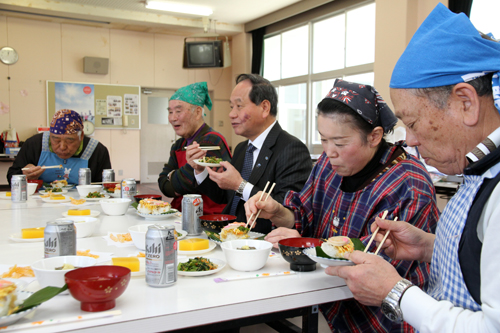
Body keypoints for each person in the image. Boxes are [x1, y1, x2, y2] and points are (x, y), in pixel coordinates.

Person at [325, 4, 500, 332]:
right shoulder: (480, 168)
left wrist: (396, 293)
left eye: (413, 122)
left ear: (466, 102)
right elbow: (486, 261)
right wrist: (431, 247)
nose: (411, 141)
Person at [245, 79, 439, 332]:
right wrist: (279, 212)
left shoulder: (408, 184)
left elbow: (382, 272)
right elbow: (304, 214)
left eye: (339, 143)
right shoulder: (327, 164)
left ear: (375, 136)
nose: (329, 152)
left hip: (382, 316)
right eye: (323, 140)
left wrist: (310, 248)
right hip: (325, 298)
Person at [190, 74, 312, 234]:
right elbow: (225, 197)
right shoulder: (242, 148)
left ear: (264, 108)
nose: (231, 114)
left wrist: (239, 185)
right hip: (230, 236)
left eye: (239, 106)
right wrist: (200, 170)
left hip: (262, 242)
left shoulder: (291, 148)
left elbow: (287, 210)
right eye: (231, 107)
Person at [158, 82, 231, 214]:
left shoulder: (211, 140)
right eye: (170, 112)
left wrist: (172, 176)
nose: (173, 118)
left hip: (207, 218)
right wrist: (174, 179)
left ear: (197, 113)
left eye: (178, 111)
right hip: (182, 215)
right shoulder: (178, 145)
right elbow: (164, 186)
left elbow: (187, 183)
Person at [7, 109, 111, 184]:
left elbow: (105, 187)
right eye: (55, 139)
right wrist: (23, 175)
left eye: (70, 140)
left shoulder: (97, 151)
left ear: (81, 136)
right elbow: (11, 176)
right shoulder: (34, 144)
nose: (62, 147)